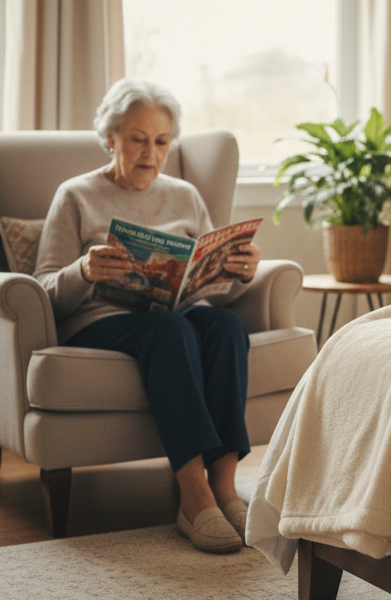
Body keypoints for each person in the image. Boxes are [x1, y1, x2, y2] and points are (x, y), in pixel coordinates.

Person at [35, 79, 260, 553]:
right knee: (171, 329)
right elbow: (46, 293)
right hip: (98, 321)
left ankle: (224, 486)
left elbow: (212, 289)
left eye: (161, 142)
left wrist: (234, 272)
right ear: (110, 136)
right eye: (138, 139)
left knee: (225, 326)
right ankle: (193, 498)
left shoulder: (185, 196)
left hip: (174, 311)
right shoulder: (75, 196)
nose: (150, 153)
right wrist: (84, 269)